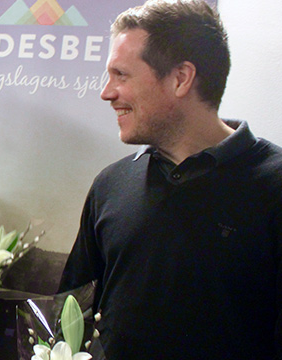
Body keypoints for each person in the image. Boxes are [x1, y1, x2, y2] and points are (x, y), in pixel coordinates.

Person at [59, 0, 282, 359]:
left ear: (180, 78)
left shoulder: (274, 187)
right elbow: (70, 316)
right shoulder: (110, 185)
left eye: (121, 75)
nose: (106, 92)